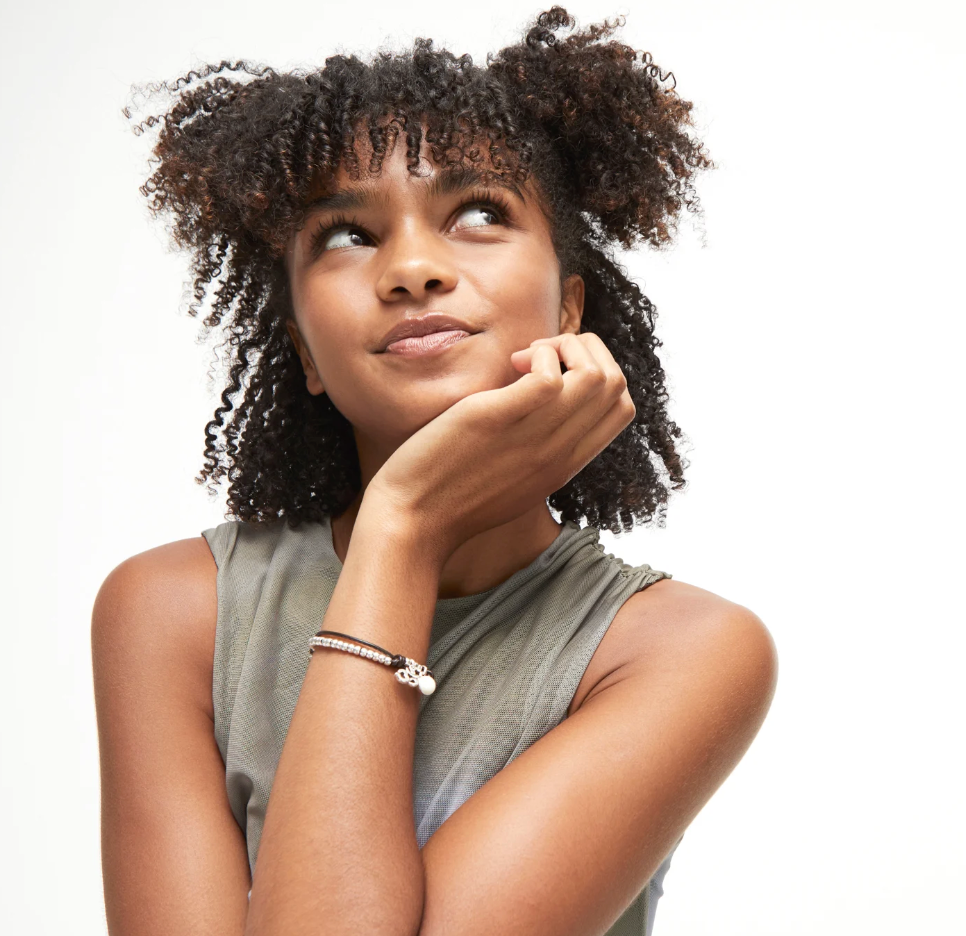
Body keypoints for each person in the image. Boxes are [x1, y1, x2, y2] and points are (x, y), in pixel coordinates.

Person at [92, 7, 778, 935]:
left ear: (570, 309)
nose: (413, 267)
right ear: (301, 349)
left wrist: (403, 524)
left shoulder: (679, 651)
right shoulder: (175, 613)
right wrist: (404, 531)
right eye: (346, 234)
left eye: (478, 213)